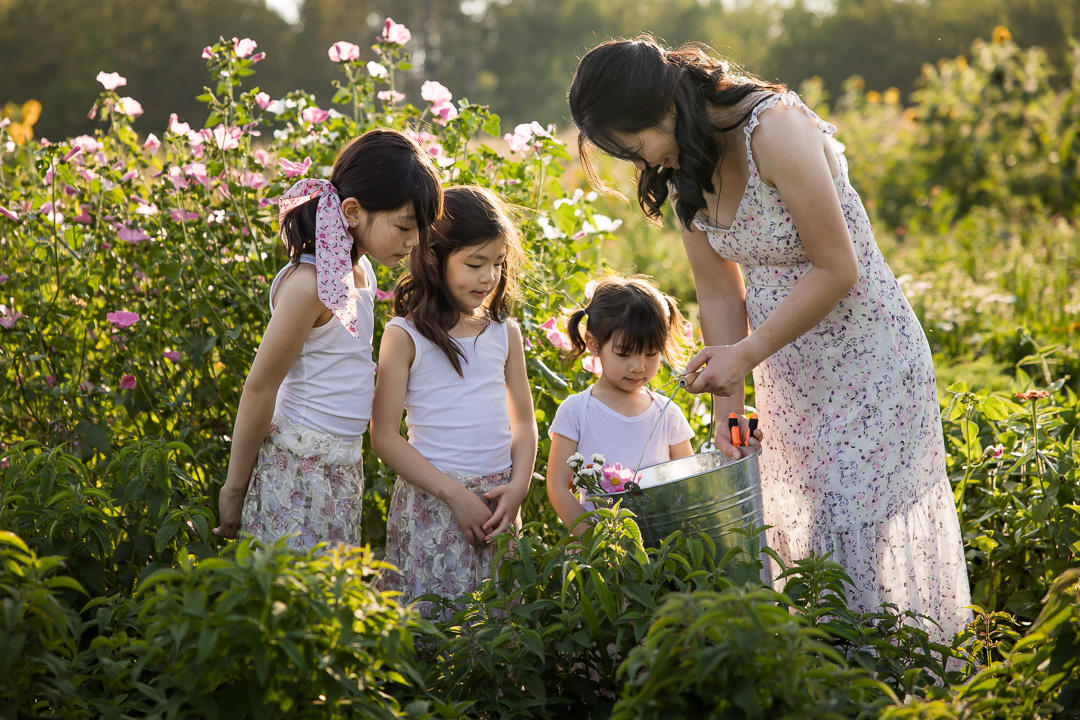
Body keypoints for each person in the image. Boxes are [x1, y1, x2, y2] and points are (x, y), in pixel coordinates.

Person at [568, 35, 972, 643]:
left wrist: (748, 354)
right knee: (810, 534)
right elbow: (720, 295)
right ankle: (831, 685)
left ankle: (896, 687)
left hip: (870, 357)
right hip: (790, 370)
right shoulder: (684, 171)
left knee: (863, 527)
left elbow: (837, 266)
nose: (644, 162)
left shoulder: (772, 128)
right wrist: (726, 416)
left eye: (636, 145)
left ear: (662, 107)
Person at [212, 129, 443, 552]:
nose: (413, 242)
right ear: (352, 211)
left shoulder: (360, 273)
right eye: (405, 226)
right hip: (296, 468)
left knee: (327, 602)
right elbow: (260, 388)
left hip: (340, 468)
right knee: (288, 597)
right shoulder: (310, 285)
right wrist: (234, 489)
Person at [370, 185, 538, 612]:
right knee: (434, 624)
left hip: (499, 503)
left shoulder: (504, 332)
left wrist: (518, 487)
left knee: (497, 624)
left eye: (498, 264)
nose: (489, 278)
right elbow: (385, 437)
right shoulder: (405, 336)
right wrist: (454, 494)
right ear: (434, 258)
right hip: (434, 503)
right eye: (474, 264)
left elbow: (523, 423)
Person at [546, 276, 695, 535]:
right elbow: (559, 487)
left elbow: (689, 484)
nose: (639, 366)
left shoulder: (667, 414)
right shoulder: (577, 412)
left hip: (661, 552)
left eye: (651, 353)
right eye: (625, 354)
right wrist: (595, 542)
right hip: (597, 559)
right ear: (594, 344)